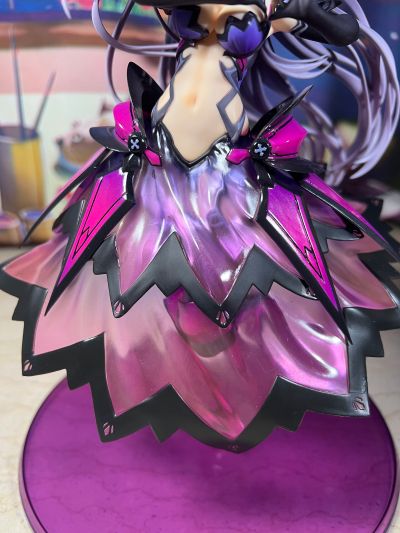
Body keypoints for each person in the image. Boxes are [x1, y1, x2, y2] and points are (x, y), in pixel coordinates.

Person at [1, 0, 399, 452]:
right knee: (137, 281)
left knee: (237, 291)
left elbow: (343, 30)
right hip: (158, 172)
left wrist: (306, 9)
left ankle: (230, 389)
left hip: (222, 183)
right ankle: (170, 379)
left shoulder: (271, 9)